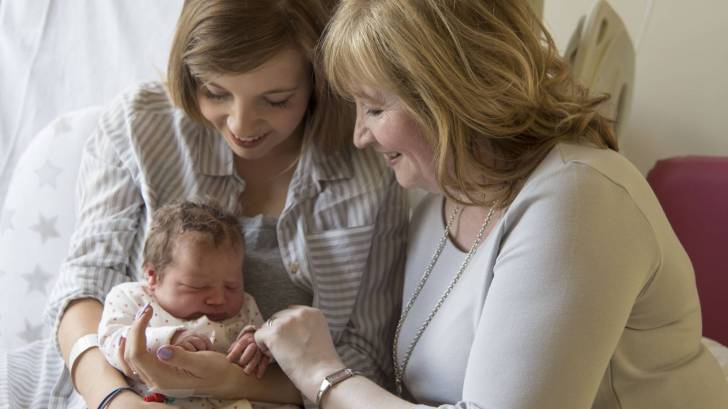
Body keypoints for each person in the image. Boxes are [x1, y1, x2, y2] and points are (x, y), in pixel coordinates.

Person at [249, 1, 728, 409]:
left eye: (374, 108)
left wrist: (320, 374)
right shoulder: (437, 205)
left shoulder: (578, 197)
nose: (358, 136)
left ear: (449, 94)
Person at [2, 0, 407, 408]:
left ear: (318, 83)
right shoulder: (139, 127)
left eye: (277, 99)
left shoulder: (372, 172)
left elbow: (366, 360)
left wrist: (233, 383)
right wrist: (113, 398)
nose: (241, 125)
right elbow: (85, 286)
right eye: (215, 92)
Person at [98, 200, 290, 409]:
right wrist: (169, 338)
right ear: (153, 276)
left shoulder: (245, 305)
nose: (218, 299)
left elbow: (270, 352)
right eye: (198, 286)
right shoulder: (131, 297)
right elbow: (111, 342)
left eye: (231, 286)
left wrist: (256, 345)